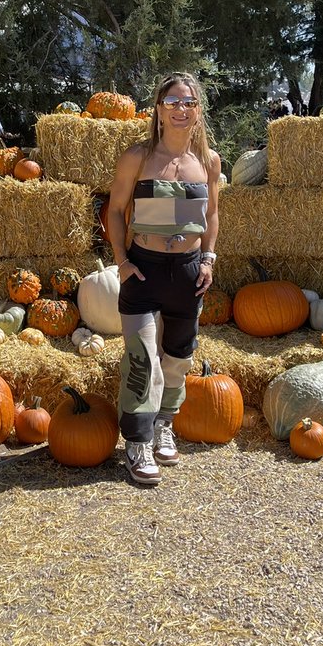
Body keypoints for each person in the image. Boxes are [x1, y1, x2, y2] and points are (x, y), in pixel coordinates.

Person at [106, 72, 221, 485]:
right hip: (144, 268)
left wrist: (207, 259)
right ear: (158, 109)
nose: (180, 109)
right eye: (172, 102)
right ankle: (137, 443)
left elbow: (211, 216)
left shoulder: (207, 161)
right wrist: (121, 261)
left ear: (198, 111)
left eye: (188, 102)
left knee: (177, 359)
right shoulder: (137, 157)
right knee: (141, 358)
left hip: (187, 274)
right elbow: (116, 211)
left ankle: (163, 425)